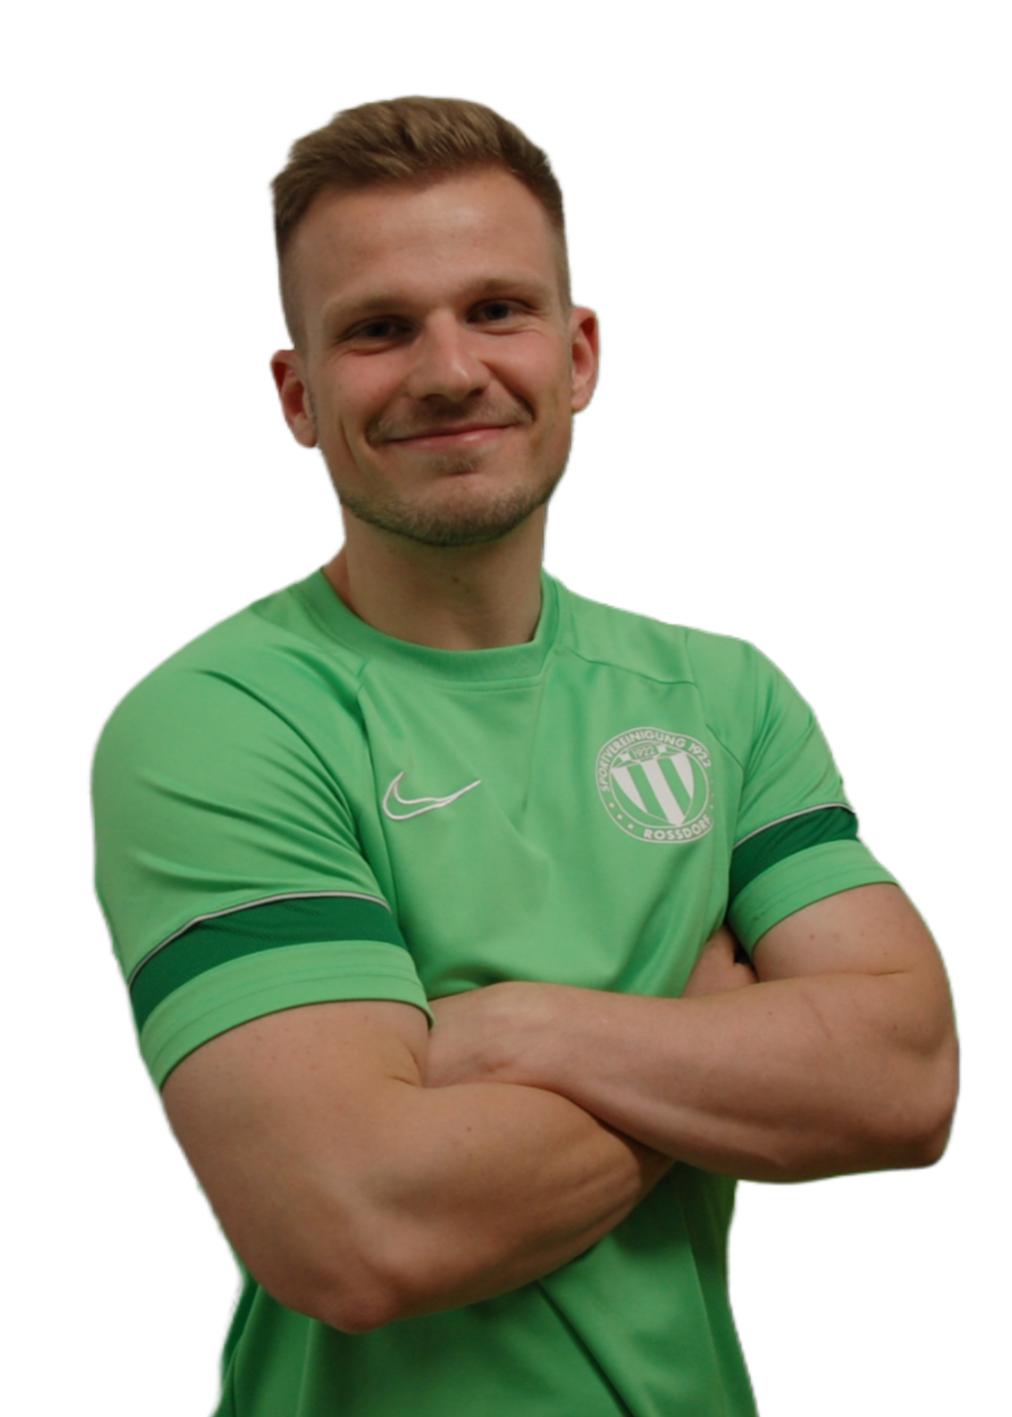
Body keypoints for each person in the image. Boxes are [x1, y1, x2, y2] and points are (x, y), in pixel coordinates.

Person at [87, 94, 960, 1417]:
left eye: (497, 309)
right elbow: (359, 1230)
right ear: (299, 398)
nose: (449, 371)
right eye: (379, 329)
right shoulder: (217, 720)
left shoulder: (725, 696)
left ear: (580, 352)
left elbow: (905, 1082)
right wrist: (709, 1046)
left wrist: (512, 1033)